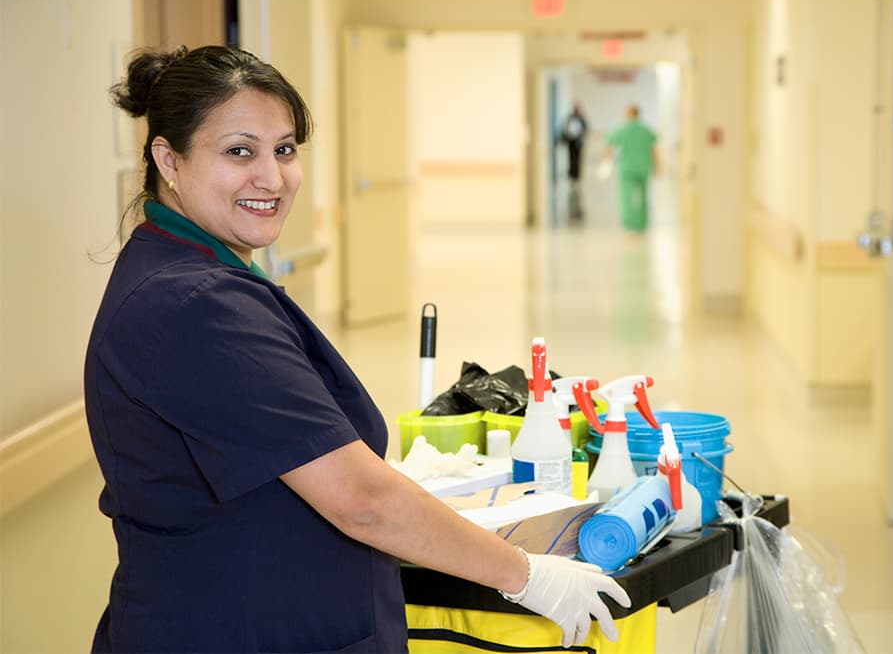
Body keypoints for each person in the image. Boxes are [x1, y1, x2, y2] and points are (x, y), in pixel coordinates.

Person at [85, 45, 629, 653]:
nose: (272, 177)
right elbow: (362, 501)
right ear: (170, 160)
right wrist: (526, 576)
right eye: (240, 151)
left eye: (284, 150)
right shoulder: (197, 305)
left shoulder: (183, 269)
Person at [604, 104, 659, 232]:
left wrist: (606, 163)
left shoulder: (622, 129)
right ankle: (642, 223)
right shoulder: (646, 130)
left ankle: (629, 223)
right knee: (643, 195)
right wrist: (657, 167)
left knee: (626, 196)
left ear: (628, 114)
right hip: (643, 167)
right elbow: (654, 149)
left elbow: (609, 145)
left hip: (627, 168)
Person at [561, 103, 588, 221]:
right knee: (571, 160)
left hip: (578, 143)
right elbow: (564, 130)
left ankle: (577, 177)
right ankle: (572, 176)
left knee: (578, 161)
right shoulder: (569, 118)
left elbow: (585, 129)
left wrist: (579, 136)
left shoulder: (582, 118)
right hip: (571, 143)